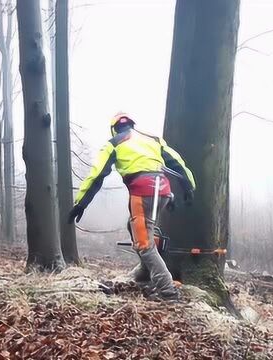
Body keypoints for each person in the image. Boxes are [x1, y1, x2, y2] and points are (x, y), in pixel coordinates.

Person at [69, 112, 196, 300]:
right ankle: (147, 269)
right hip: (162, 191)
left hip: (142, 192)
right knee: (136, 227)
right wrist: (188, 187)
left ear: (114, 129)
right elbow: (177, 163)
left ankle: (168, 291)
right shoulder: (153, 140)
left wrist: (81, 203)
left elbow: (97, 175)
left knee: (144, 245)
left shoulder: (114, 143)